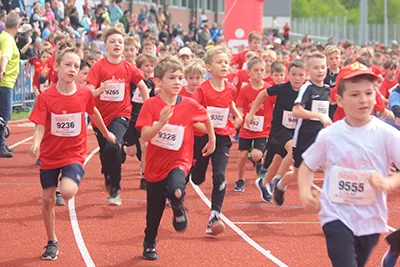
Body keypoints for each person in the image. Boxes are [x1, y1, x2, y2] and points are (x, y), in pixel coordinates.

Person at [298, 61, 400, 267]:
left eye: (369, 93)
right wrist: (305, 194)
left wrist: (389, 183)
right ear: (339, 100)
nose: (363, 100)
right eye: (355, 95)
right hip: (335, 215)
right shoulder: (330, 135)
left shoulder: (388, 134)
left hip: (370, 220)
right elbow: (307, 166)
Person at [29, 47, 116, 261]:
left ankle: (70, 180)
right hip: (50, 154)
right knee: (48, 199)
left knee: (67, 191)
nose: (72, 69)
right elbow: (40, 125)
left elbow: (93, 112)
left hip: (74, 153)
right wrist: (36, 143)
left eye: (76, 66)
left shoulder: (85, 93)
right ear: (57, 67)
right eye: (68, 65)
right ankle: (52, 241)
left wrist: (106, 133)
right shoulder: (47, 97)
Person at [136, 56, 215, 260]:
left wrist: (212, 140)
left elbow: (206, 118)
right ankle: (150, 241)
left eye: (180, 78)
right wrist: (161, 123)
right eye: (172, 78)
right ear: (158, 82)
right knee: (154, 212)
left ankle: (178, 204)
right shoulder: (151, 105)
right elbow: (144, 135)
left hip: (180, 161)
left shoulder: (189, 104)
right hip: (155, 166)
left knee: (176, 188)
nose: (178, 82)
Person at [86, 27, 149, 205]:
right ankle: (108, 172)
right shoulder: (98, 67)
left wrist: (149, 107)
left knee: (113, 146)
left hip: (122, 114)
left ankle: (115, 190)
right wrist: (101, 89)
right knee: (106, 156)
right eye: (113, 42)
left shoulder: (129, 67)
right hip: (99, 118)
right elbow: (89, 94)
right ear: (105, 45)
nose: (117, 45)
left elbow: (143, 86)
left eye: (120, 42)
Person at [191, 46, 242, 235]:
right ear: (208, 68)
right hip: (202, 138)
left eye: (226, 62)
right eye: (219, 62)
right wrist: (209, 130)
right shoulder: (202, 90)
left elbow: (230, 104)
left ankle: (214, 216)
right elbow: (194, 119)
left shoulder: (230, 88)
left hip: (222, 138)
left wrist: (237, 118)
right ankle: (192, 171)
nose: (224, 65)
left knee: (220, 176)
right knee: (197, 178)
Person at [272, 52, 331, 206]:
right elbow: (296, 111)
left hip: (321, 137)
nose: (320, 70)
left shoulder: (326, 89)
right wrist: (318, 116)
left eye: (323, 67)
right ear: (308, 71)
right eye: (316, 67)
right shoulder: (307, 88)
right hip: (303, 138)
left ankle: (332, 203)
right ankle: (279, 185)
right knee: (298, 174)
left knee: (328, 166)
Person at [248, 59, 306, 202]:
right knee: (292, 150)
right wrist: (251, 112)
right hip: (279, 129)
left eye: (300, 75)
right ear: (288, 74)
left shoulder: (307, 90)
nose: (297, 78)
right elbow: (263, 94)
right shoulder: (282, 88)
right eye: (293, 74)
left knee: (278, 159)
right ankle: (277, 181)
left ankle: (263, 183)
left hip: (295, 130)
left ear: (306, 75)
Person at [234, 56, 270, 192]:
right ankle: (240, 180)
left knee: (255, 155)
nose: (259, 73)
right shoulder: (245, 90)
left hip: (263, 129)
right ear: (249, 73)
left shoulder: (268, 89)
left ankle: (258, 162)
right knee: (243, 155)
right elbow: (240, 109)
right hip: (247, 128)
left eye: (262, 70)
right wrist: (240, 118)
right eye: (256, 70)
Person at [121, 53, 157, 190]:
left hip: (143, 120)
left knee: (145, 147)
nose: (149, 68)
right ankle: (123, 150)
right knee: (132, 151)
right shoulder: (132, 82)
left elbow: (152, 100)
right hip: (130, 119)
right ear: (139, 68)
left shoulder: (151, 83)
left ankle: (144, 177)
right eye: (146, 66)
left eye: (151, 66)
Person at [0, 12, 21, 158]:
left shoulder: (3, 36)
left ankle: (1, 143)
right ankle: (0, 145)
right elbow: (5, 55)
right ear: (17, 26)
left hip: (6, 83)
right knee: (4, 116)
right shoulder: (7, 39)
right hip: (5, 83)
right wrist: (3, 69)